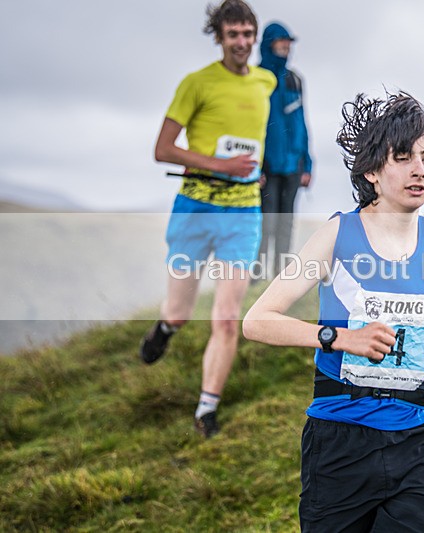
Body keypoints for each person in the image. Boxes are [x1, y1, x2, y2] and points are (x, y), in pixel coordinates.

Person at [242, 91, 424, 531]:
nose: (421, 169)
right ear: (373, 172)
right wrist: (339, 338)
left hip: (414, 439)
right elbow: (257, 321)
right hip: (338, 445)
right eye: (403, 157)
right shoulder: (337, 236)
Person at [139, 0, 276, 438]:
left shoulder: (266, 82)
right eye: (232, 34)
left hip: (242, 213)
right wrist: (221, 166)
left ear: (255, 36)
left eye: (247, 33)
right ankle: (166, 327)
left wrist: (260, 171)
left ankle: (206, 409)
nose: (241, 42)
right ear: (219, 37)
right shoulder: (196, 83)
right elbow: (163, 149)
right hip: (196, 209)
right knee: (181, 311)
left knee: (225, 317)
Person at [256, 21, 313, 280]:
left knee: (285, 223)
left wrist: (307, 165)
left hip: (293, 164)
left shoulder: (295, 80)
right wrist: (255, 167)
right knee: (265, 223)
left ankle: (281, 275)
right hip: (266, 166)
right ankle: (255, 276)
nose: (287, 46)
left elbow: (302, 123)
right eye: (282, 41)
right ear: (269, 43)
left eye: (289, 42)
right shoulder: (255, 79)